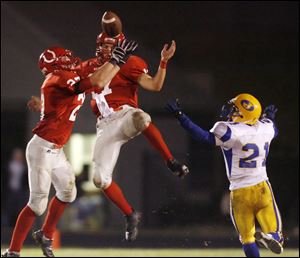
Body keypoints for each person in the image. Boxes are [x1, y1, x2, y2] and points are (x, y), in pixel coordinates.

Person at [28, 31, 190, 242]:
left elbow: (154, 85)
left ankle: (171, 161)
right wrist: (44, 104)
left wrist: (163, 62)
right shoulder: (88, 66)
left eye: (109, 45)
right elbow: (68, 90)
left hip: (124, 115)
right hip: (104, 126)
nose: (104, 48)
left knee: (141, 118)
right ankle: (130, 214)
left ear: (119, 47)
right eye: (102, 44)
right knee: (99, 179)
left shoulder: (130, 63)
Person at [2, 40, 138, 257]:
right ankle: (13, 252)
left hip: (56, 150)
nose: (70, 59)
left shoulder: (63, 76)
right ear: (55, 65)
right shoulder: (58, 78)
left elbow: (95, 76)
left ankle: (45, 235)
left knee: (68, 192)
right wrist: (117, 59)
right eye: (63, 58)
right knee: (37, 205)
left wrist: (114, 59)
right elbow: (98, 79)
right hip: (42, 149)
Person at [166, 93, 284, 257]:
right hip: (262, 188)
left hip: (239, 192)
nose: (231, 112)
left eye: (235, 110)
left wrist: (181, 117)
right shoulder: (266, 127)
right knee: (277, 233)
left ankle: (264, 241)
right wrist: (269, 116)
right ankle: (269, 236)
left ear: (244, 114)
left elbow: (204, 137)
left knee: (247, 239)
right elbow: (274, 129)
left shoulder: (230, 131)